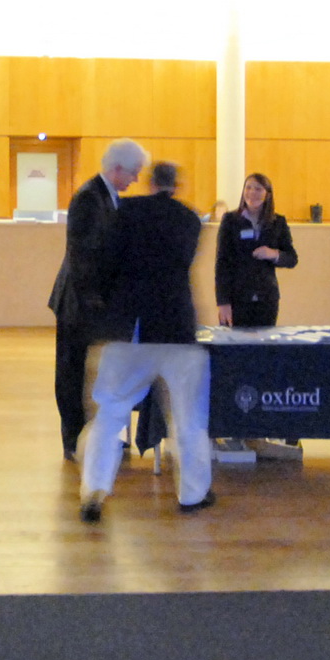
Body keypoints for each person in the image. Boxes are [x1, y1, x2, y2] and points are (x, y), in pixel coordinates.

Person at [76, 162, 213, 520]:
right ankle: (192, 495)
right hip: (177, 327)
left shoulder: (125, 211)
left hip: (130, 327)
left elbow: (104, 264)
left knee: (109, 413)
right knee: (189, 418)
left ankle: (94, 491)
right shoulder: (190, 219)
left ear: (150, 183)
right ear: (175, 185)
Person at [50, 139, 144, 460]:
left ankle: (99, 435)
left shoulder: (109, 196)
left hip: (92, 301)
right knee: (72, 372)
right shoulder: (89, 197)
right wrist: (95, 301)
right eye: (132, 172)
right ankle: (73, 440)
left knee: (96, 373)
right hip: (79, 301)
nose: (135, 179)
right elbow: (82, 256)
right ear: (117, 168)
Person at [214, 172, 297, 329]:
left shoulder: (278, 222)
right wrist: (223, 302)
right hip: (236, 297)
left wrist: (274, 254)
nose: (252, 192)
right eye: (248, 188)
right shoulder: (230, 220)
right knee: (234, 342)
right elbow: (222, 263)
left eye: (258, 189)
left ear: (267, 194)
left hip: (267, 298)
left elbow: (292, 258)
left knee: (264, 342)